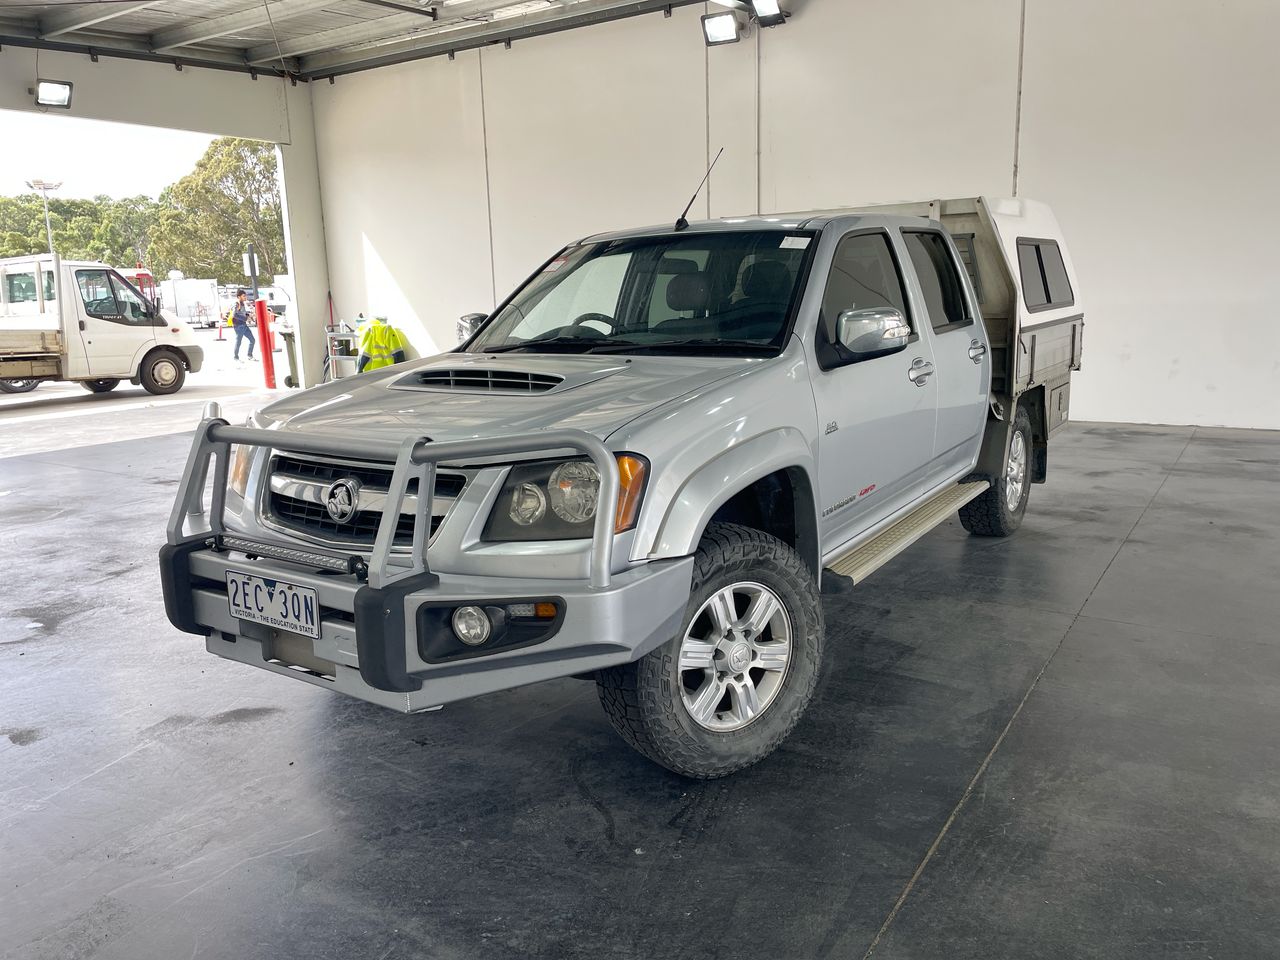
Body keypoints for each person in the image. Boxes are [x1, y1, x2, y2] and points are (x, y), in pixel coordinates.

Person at [231, 290, 256, 364]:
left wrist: (249, 315)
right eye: (244, 296)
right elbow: (234, 315)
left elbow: (242, 313)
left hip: (244, 325)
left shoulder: (242, 303)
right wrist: (245, 318)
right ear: (239, 297)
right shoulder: (236, 304)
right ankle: (236, 357)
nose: (245, 297)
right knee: (238, 342)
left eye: (245, 295)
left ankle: (249, 355)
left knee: (252, 340)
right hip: (238, 326)